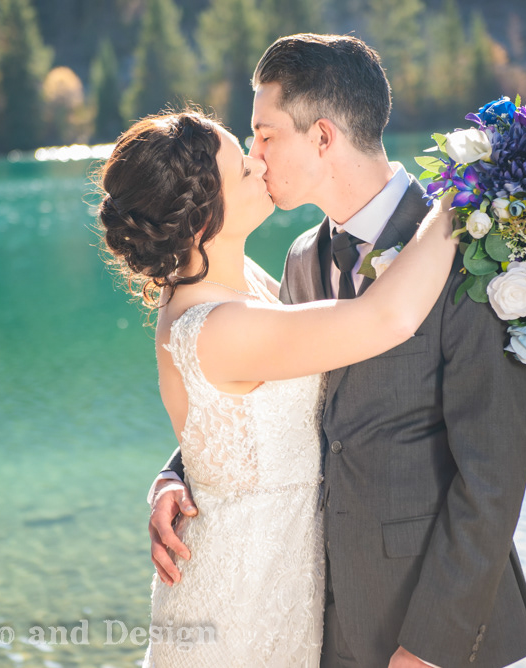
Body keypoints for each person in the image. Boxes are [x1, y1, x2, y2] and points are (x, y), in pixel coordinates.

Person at [148, 34, 526, 668]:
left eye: (265, 135)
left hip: (429, 624)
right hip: (313, 617)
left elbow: (494, 473)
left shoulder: (472, 252)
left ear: (323, 137)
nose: (257, 158)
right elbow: (261, 392)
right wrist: (180, 472)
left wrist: (432, 645)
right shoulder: (301, 258)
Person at [97, 109, 456, 666]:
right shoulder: (219, 326)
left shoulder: (229, 282)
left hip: (276, 579)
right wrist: (464, 200)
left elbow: (227, 422)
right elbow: (387, 317)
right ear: (202, 220)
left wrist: (173, 473)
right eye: (243, 169)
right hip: (240, 597)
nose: (260, 163)